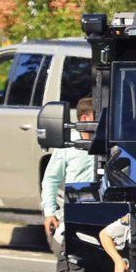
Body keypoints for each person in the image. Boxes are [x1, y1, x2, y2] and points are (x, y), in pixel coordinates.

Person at [41, 97, 96, 255]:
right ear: (84, 119)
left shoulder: (112, 142)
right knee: (71, 257)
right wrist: (50, 213)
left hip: (108, 213)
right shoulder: (68, 144)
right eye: (98, 117)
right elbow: (51, 179)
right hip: (76, 211)